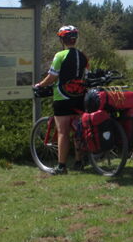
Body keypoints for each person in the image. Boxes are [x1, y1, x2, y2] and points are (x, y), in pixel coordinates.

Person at [35, 25, 89, 174]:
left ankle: (61, 166)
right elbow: (87, 75)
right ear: (74, 39)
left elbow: (52, 77)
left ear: (62, 39)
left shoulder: (60, 55)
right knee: (78, 129)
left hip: (62, 96)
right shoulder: (83, 56)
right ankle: (79, 162)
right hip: (80, 96)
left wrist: (40, 84)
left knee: (63, 132)